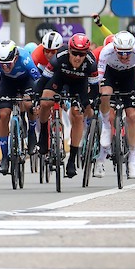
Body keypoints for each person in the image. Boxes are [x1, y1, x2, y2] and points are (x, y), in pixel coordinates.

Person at [35, 33, 99, 178]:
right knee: (45, 101)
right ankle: (44, 135)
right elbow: (43, 80)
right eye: (75, 53)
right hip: (60, 79)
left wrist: (87, 102)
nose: (78, 57)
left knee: (77, 114)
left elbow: (94, 90)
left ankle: (72, 160)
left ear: (86, 54)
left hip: (79, 85)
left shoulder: (91, 63)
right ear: (69, 50)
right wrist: (36, 97)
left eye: (81, 54)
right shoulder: (59, 57)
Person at [96, 31, 135, 179]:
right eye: (121, 53)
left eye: (128, 53)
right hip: (110, 75)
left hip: (128, 77)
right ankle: (106, 126)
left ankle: (132, 158)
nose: (125, 56)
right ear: (114, 48)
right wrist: (96, 94)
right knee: (105, 94)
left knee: (132, 116)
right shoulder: (106, 51)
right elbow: (99, 79)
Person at [0, 40, 41, 175]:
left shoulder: (25, 58)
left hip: (26, 81)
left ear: (15, 58)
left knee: (28, 104)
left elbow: (38, 80)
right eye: (2, 64)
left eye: (8, 64)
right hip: (7, 83)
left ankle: (32, 133)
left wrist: (36, 101)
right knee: (3, 115)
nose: (5, 67)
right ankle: (4, 157)